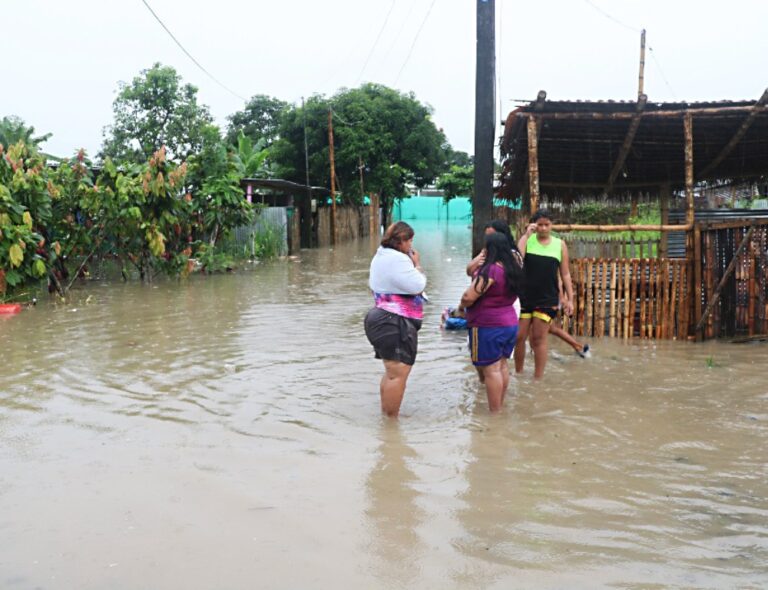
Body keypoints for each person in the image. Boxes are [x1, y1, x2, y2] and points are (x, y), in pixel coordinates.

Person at [468, 219, 588, 357]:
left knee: (536, 331)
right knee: (548, 328)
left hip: (526, 299)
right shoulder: (491, 251)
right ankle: (576, 346)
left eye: (491, 235)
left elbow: (555, 276)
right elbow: (470, 270)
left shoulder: (514, 253)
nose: (488, 240)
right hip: (528, 298)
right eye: (487, 236)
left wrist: (563, 297)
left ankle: (568, 348)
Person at [365, 221, 427, 418]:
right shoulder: (398, 260)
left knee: (391, 372)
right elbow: (418, 285)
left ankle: (387, 416)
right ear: (400, 241)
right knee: (397, 374)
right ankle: (391, 427)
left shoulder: (381, 255)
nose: (411, 245)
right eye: (409, 241)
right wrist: (417, 265)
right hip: (393, 321)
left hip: (381, 317)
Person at [459, 232, 523, 412]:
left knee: (491, 370)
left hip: (488, 325)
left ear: (489, 249)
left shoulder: (492, 270)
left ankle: (495, 413)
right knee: (502, 365)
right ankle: (499, 408)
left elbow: (469, 296)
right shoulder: (512, 268)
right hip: (509, 323)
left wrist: (462, 306)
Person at [514, 209, 575, 379]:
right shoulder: (527, 240)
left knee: (538, 338)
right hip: (525, 296)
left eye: (546, 225)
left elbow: (565, 274)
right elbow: (518, 260)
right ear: (533, 225)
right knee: (519, 337)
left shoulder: (559, 244)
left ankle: (537, 378)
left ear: (551, 225)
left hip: (547, 298)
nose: (543, 228)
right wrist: (526, 235)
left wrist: (570, 299)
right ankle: (518, 373)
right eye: (539, 225)